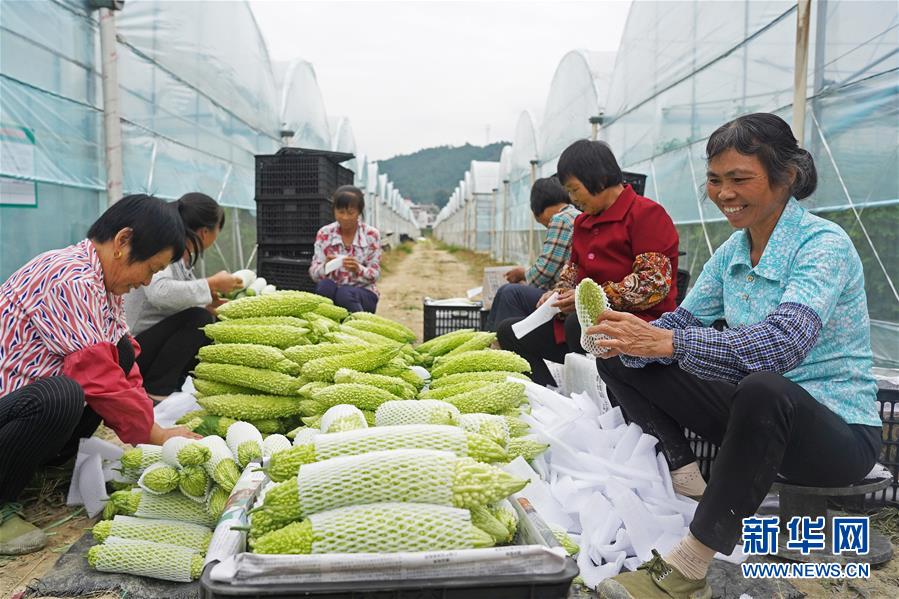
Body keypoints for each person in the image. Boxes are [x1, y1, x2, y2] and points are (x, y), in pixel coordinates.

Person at [589, 114, 882, 599]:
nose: (725, 193)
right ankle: (687, 472)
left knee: (763, 385)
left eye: (740, 179)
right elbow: (680, 325)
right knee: (621, 356)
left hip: (835, 435)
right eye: (715, 180)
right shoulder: (732, 252)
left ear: (786, 177)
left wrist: (669, 343)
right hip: (755, 422)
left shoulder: (823, 246)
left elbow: (783, 345)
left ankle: (688, 567)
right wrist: (629, 338)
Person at [0, 194, 201, 555]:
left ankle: (40, 469)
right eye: (152, 269)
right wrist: (155, 435)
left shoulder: (103, 285)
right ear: (123, 242)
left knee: (119, 354)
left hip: (18, 415)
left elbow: (123, 364)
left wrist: (150, 422)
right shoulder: (68, 277)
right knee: (62, 394)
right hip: (11, 406)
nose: (146, 281)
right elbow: (94, 373)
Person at [496, 140, 680, 386]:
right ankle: (553, 396)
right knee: (511, 332)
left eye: (574, 190)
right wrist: (557, 295)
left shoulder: (646, 214)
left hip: (634, 328)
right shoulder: (583, 223)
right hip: (579, 326)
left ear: (600, 179)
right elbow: (571, 275)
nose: (572, 199)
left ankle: (598, 403)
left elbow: (652, 284)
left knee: (578, 325)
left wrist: (586, 299)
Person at [124, 193, 243, 400]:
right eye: (218, 230)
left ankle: (180, 388)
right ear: (205, 231)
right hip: (132, 349)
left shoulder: (181, 258)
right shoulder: (165, 248)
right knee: (199, 320)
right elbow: (159, 292)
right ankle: (156, 392)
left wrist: (207, 302)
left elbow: (172, 301)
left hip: (146, 347)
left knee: (204, 319)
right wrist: (211, 283)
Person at [485, 177, 580, 331]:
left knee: (509, 292)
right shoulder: (575, 215)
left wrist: (523, 274)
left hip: (562, 297)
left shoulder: (560, 219)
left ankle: (494, 343)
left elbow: (543, 272)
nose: (544, 225)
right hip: (569, 293)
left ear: (538, 210)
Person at [309, 185, 381, 313]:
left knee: (344, 294)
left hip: (363, 293)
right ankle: (326, 326)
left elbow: (375, 275)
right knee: (325, 287)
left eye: (350, 213)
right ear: (334, 210)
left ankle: (359, 328)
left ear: (359, 211)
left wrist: (358, 269)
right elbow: (314, 273)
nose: (345, 217)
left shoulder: (371, 235)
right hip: (333, 291)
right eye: (341, 212)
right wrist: (325, 266)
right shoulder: (325, 234)